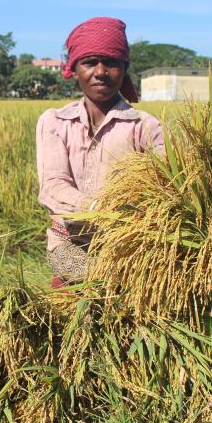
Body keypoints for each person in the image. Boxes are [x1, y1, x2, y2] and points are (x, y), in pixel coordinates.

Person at [35, 17, 165, 288]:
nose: (101, 72)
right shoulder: (55, 122)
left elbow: (163, 189)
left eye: (112, 63)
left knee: (126, 298)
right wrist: (96, 208)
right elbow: (53, 186)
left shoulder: (147, 127)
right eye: (90, 62)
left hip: (129, 246)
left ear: (124, 69)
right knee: (91, 291)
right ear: (74, 68)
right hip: (68, 244)